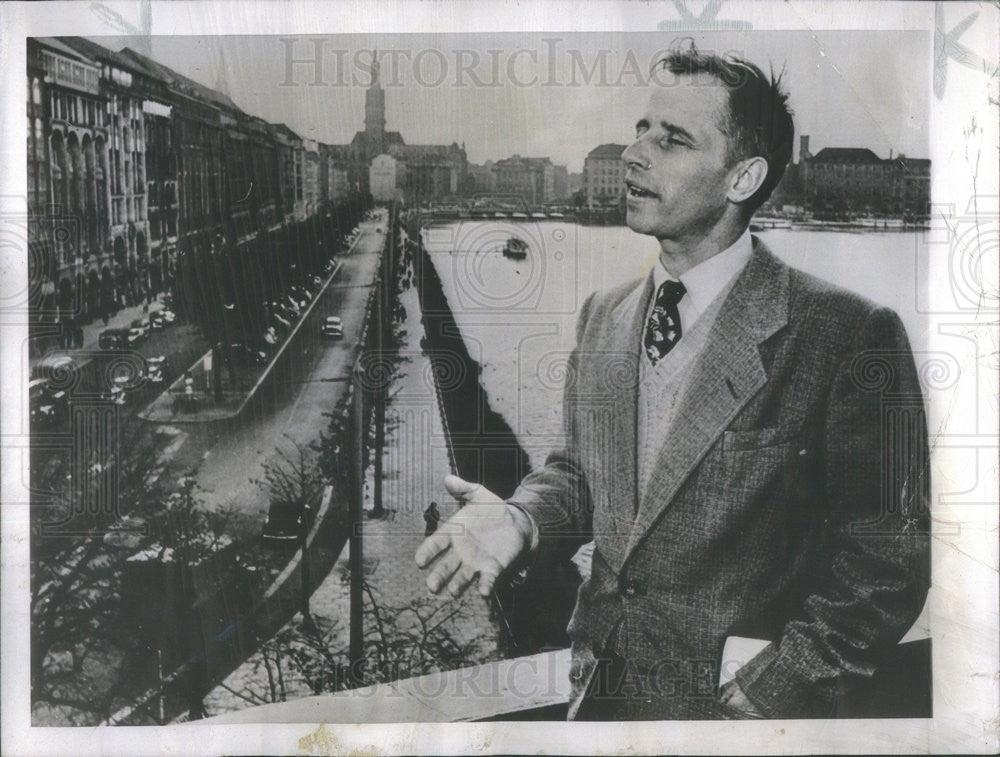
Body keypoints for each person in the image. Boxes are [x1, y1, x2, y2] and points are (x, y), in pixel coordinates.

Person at [415, 44, 929, 720]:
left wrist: (775, 687)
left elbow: (886, 561)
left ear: (742, 177)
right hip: (599, 698)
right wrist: (521, 516)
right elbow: (580, 474)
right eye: (640, 130)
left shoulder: (846, 334)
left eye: (674, 139)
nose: (635, 155)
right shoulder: (604, 316)